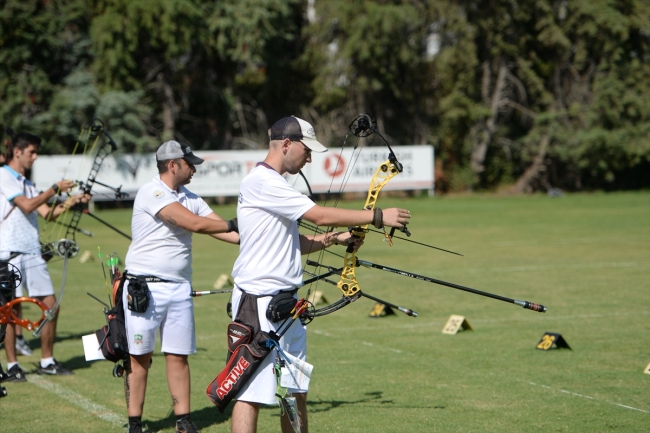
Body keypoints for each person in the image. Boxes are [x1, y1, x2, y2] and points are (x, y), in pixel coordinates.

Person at [229, 116, 412, 433]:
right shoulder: (262, 181)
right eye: (307, 149)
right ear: (286, 144)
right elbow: (319, 214)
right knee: (250, 391)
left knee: (295, 388)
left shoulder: (276, 185)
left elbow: (289, 242)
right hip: (258, 304)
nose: (310, 157)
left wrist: (330, 239)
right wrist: (377, 216)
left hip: (288, 303)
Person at [122, 140, 240, 433]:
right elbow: (196, 225)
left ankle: (183, 421)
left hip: (178, 288)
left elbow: (229, 233)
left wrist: (255, 230)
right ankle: (135, 422)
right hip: (144, 289)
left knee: (177, 355)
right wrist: (232, 223)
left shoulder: (191, 197)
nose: (194, 169)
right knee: (139, 357)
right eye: (190, 164)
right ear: (173, 165)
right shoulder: (153, 192)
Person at [0, 132, 91, 381]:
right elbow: (27, 206)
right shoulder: (3, 176)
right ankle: (12, 366)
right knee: (10, 312)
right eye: (31, 152)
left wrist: (72, 201)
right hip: (10, 254)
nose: (34, 157)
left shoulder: (27, 183)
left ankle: (47, 361)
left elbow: (47, 213)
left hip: (32, 251)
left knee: (51, 305)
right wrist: (54, 188)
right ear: (17, 152)